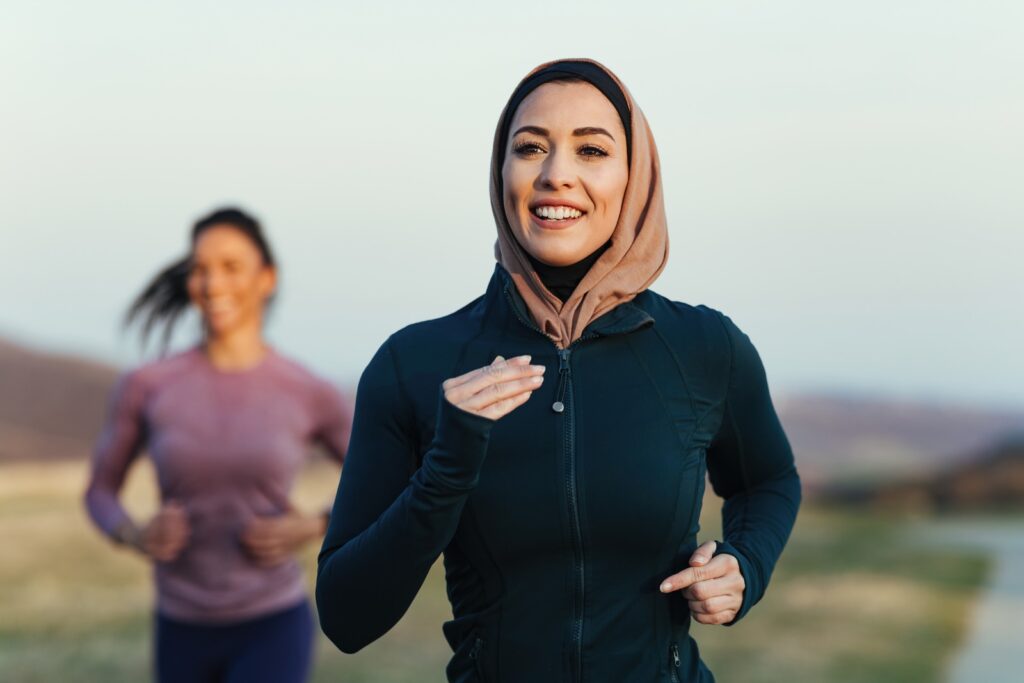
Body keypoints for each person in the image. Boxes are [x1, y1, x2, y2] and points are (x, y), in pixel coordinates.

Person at [316, 59, 801, 682]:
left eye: (591, 150)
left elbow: (769, 480)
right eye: (530, 148)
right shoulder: (415, 364)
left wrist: (744, 564)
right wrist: (446, 469)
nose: (556, 176)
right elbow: (347, 619)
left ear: (636, 179)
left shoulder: (705, 348)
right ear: (501, 172)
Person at [84, 207, 350, 683]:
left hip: (272, 624)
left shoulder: (306, 389)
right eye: (200, 269)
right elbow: (100, 491)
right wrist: (135, 534)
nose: (212, 283)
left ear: (266, 279)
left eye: (231, 267)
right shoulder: (148, 385)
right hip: (179, 627)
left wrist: (315, 524)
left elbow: (382, 479)